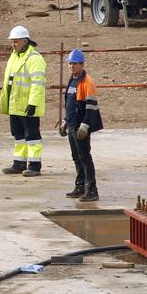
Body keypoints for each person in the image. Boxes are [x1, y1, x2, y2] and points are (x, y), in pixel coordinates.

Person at [0, 25, 47, 176]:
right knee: (18, 135)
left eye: (16, 41)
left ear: (25, 41)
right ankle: (19, 163)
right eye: (12, 42)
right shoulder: (14, 56)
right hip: (15, 105)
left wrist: (33, 103)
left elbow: (37, 83)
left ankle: (34, 165)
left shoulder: (35, 59)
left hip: (28, 106)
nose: (13, 44)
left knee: (32, 136)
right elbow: (8, 82)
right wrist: (3, 100)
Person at [59, 48, 103, 201]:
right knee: (76, 156)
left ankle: (91, 190)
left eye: (75, 63)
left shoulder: (87, 81)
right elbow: (70, 103)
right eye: (70, 63)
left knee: (85, 156)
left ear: (82, 64)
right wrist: (65, 121)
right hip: (72, 124)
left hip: (80, 126)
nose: (72, 66)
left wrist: (85, 126)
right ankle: (80, 186)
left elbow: (90, 106)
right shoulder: (73, 79)